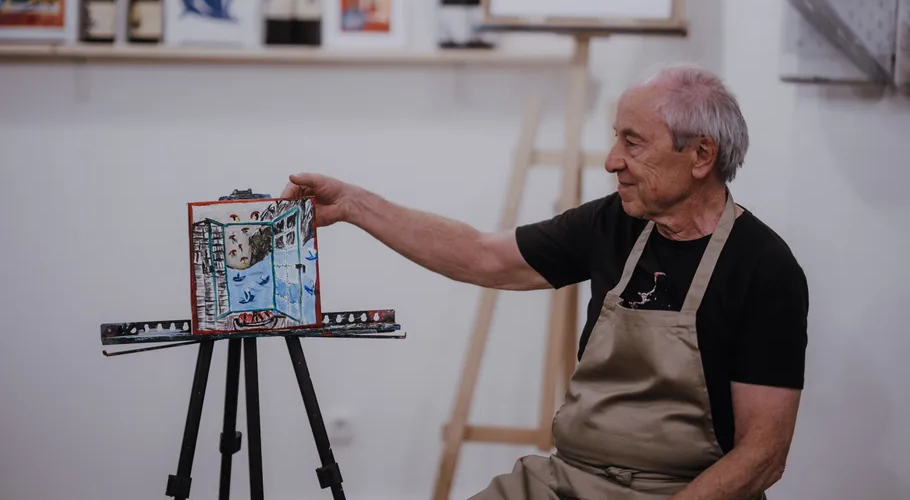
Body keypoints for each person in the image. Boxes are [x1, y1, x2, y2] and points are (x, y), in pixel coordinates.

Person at [280, 64, 809, 500]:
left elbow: (762, 456)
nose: (611, 161)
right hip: (568, 481)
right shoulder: (613, 223)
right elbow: (480, 256)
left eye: (633, 142)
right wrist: (352, 205)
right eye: (614, 139)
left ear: (700, 155)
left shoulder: (764, 268)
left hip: (680, 491)